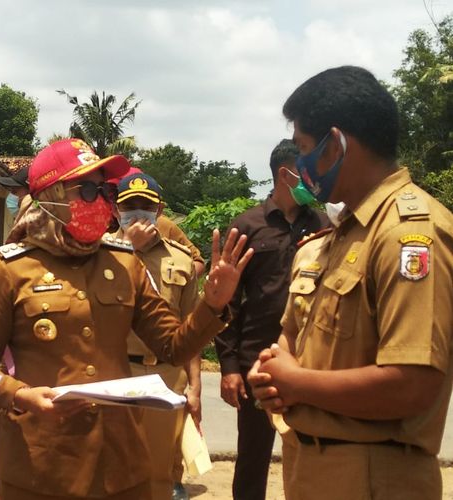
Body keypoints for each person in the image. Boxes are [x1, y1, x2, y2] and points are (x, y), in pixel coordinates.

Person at [0, 138, 253, 499]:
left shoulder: (123, 262)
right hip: (40, 462)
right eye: (86, 189)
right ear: (51, 195)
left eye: (104, 190)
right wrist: (21, 395)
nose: (100, 201)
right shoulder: (7, 271)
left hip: (119, 463)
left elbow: (172, 346)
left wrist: (212, 305)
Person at [248, 66, 453, 500]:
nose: (299, 165)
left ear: (336, 144)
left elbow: (412, 385)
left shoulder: (407, 234)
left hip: (374, 478)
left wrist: (294, 382)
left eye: (304, 148)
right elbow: (294, 340)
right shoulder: (338, 236)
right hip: (312, 467)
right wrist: (271, 370)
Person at [214, 139, 328, 500]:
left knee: (315, 454)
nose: (317, 179)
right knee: (253, 459)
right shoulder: (247, 225)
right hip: (255, 365)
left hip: (312, 365)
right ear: (285, 173)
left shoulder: (325, 225)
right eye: (309, 169)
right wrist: (229, 366)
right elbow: (225, 303)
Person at [112, 172, 201, 500]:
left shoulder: (181, 259)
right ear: (115, 211)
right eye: (129, 206)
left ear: (159, 210)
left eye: (145, 206)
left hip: (167, 377)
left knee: (161, 475)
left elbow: (190, 326)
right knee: (116, 470)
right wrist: (127, 250)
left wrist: (196, 386)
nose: (137, 213)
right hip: (117, 373)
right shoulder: (98, 256)